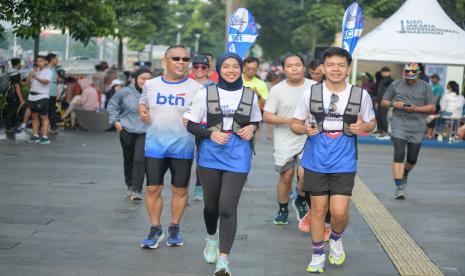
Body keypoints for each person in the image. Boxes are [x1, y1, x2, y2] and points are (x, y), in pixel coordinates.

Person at [291, 47, 376, 273]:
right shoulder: (311, 93)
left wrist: (363, 127)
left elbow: (371, 122)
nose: (335, 69)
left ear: (348, 68)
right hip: (315, 160)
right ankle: (318, 254)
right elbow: (295, 122)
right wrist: (303, 129)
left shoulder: (360, 95)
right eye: (331, 65)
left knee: (339, 212)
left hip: (344, 161)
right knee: (318, 210)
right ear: (323, 68)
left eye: (340, 65)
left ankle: (336, 238)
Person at [184, 51, 262, 276]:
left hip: (238, 154)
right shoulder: (206, 93)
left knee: (227, 207)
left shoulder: (249, 94)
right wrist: (210, 135)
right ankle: (211, 238)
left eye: (235, 66)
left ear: (241, 69)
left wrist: (252, 128)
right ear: (218, 68)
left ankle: (224, 260)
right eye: (226, 66)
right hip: (210, 154)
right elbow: (190, 124)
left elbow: (256, 119)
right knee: (211, 206)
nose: (231, 70)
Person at [138, 45, 203, 250]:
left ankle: (174, 227)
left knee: (179, 189)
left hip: (182, 146)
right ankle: (155, 228)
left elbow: (203, 117)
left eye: (185, 59)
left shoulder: (196, 88)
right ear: (165, 60)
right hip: (155, 146)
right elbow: (142, 103)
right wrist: (143, 112)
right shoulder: (151, 85)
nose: (181, 62)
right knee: (153, 187)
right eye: (176, 58)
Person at [263, 55, 316, 228]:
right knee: (286, 176)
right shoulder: (277, 90)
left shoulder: (315, 87)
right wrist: (291, 121)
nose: (294, 68)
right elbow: (267, 115)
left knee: (305, 175)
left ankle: (300, 199)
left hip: (308, 138)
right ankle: (283, 208)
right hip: (285, 140)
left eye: (298, 65)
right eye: (290, 66)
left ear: (304, 67)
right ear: (284, 69)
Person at [381, 63, 435, 199]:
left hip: (418, 127)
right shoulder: (396, 84)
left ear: (418, 74)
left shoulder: (426, 87)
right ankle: (399, 187)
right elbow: (384, 102)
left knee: (412, 158)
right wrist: (394, 104)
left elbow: (432, 107)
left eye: (412, 76)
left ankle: (405, 173)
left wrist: (415, 109)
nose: (409, 79)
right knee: (399, 154)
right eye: (407, 75)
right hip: (399, 124)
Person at [108, 68, 153, 201]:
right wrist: (115, 121)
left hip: (145, 131)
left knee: (139, 159)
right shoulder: (125, 92)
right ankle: (129, 183)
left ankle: (136, 190)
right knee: (129, 159)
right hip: (126, 129)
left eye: (148, 78)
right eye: (142, 78)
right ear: (135, 79)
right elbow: (112, 105)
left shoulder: (155, 93)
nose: (145, 81)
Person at [190, 54, 216, 201]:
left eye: (203, 67)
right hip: (186, 125)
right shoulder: (186, 84)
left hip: (204, 126)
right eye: (196, 66)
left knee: (201, 157)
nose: (199, 69)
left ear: (208, 68)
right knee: (186, 158)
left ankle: (199, 186)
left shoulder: (214, 86)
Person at [26, 55, 53, 144]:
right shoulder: (35, 72)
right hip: (32, 96)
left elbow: (45, 82)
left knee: (44, 117)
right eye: (37, 61)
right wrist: (31, 74)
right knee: (34, 117)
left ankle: (45, 137)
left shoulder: (48, 71)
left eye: (41, 61)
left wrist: (35, 77)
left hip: (42, 96)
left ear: (45, 62)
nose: (39, 63)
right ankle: (35, 135)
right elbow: (26, 83)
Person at [242, 57, 269, 141]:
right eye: (248, 68)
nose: (251, 71)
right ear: (243, 67)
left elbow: (264, 105)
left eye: (254, 69)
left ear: (257, 69)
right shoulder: (235, 79)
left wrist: (258, 95)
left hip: (250, 121)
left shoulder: (261, 84)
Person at [5, 58, 25, 134]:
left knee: (11, 110)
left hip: (8, 94)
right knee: (12, 111)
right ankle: (9, 127)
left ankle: (11, 126)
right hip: (13, 95)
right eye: (20, 63)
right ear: (18, 64)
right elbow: (17, 86)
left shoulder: (9, 71)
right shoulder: (15, 73)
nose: (21, 65)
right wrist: (20, 98)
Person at [375, 67, 394, 139]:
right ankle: (380, 130)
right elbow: (377, 75)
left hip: (386, 101)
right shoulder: (381, 80)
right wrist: (377, 101)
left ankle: (385, 132)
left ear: (389, 72)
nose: (384, 73)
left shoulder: (390, 80)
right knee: (378, 116)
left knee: (383, 116)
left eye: (386, 72)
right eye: (383, 72)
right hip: (380, 100)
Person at [425, 73, 444, 139]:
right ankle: (432, 133)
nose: (432, 80)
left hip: (435, 105)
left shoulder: (439, 87)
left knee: (432, 119)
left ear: (437, 79)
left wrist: (432, 104)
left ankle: (429, 134)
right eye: (431, 78)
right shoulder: (431, 86)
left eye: (433, 78)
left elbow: (437, 97)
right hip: (428, 104)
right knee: (428, 119)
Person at [46, 53, 59, 135]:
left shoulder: (53, 68)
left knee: (52, 111)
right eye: (56, 59)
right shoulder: (47, 69)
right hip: (47, 93)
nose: (57, 60)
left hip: (52, 93)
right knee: (48, 111)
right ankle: (44, 128)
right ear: (52, 59)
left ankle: (52, 128)